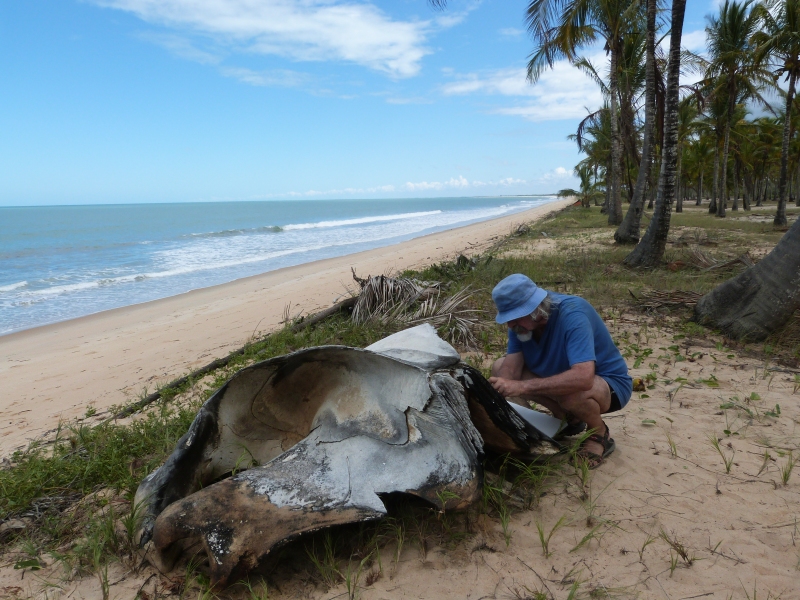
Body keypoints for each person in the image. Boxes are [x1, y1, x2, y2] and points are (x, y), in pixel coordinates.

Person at [488, 274, 632, 468]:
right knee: (499, 367)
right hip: (562, 382)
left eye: (514, 317)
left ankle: (599, 433)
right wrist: (499, 393)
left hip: (608, 385)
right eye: (507, 318)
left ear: (535, 310)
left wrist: (521, 387)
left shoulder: (573, 314)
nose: (509, 325)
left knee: (571, 393)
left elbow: (583, 378)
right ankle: (566, 417)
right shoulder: (521, 325)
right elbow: (510, 369)